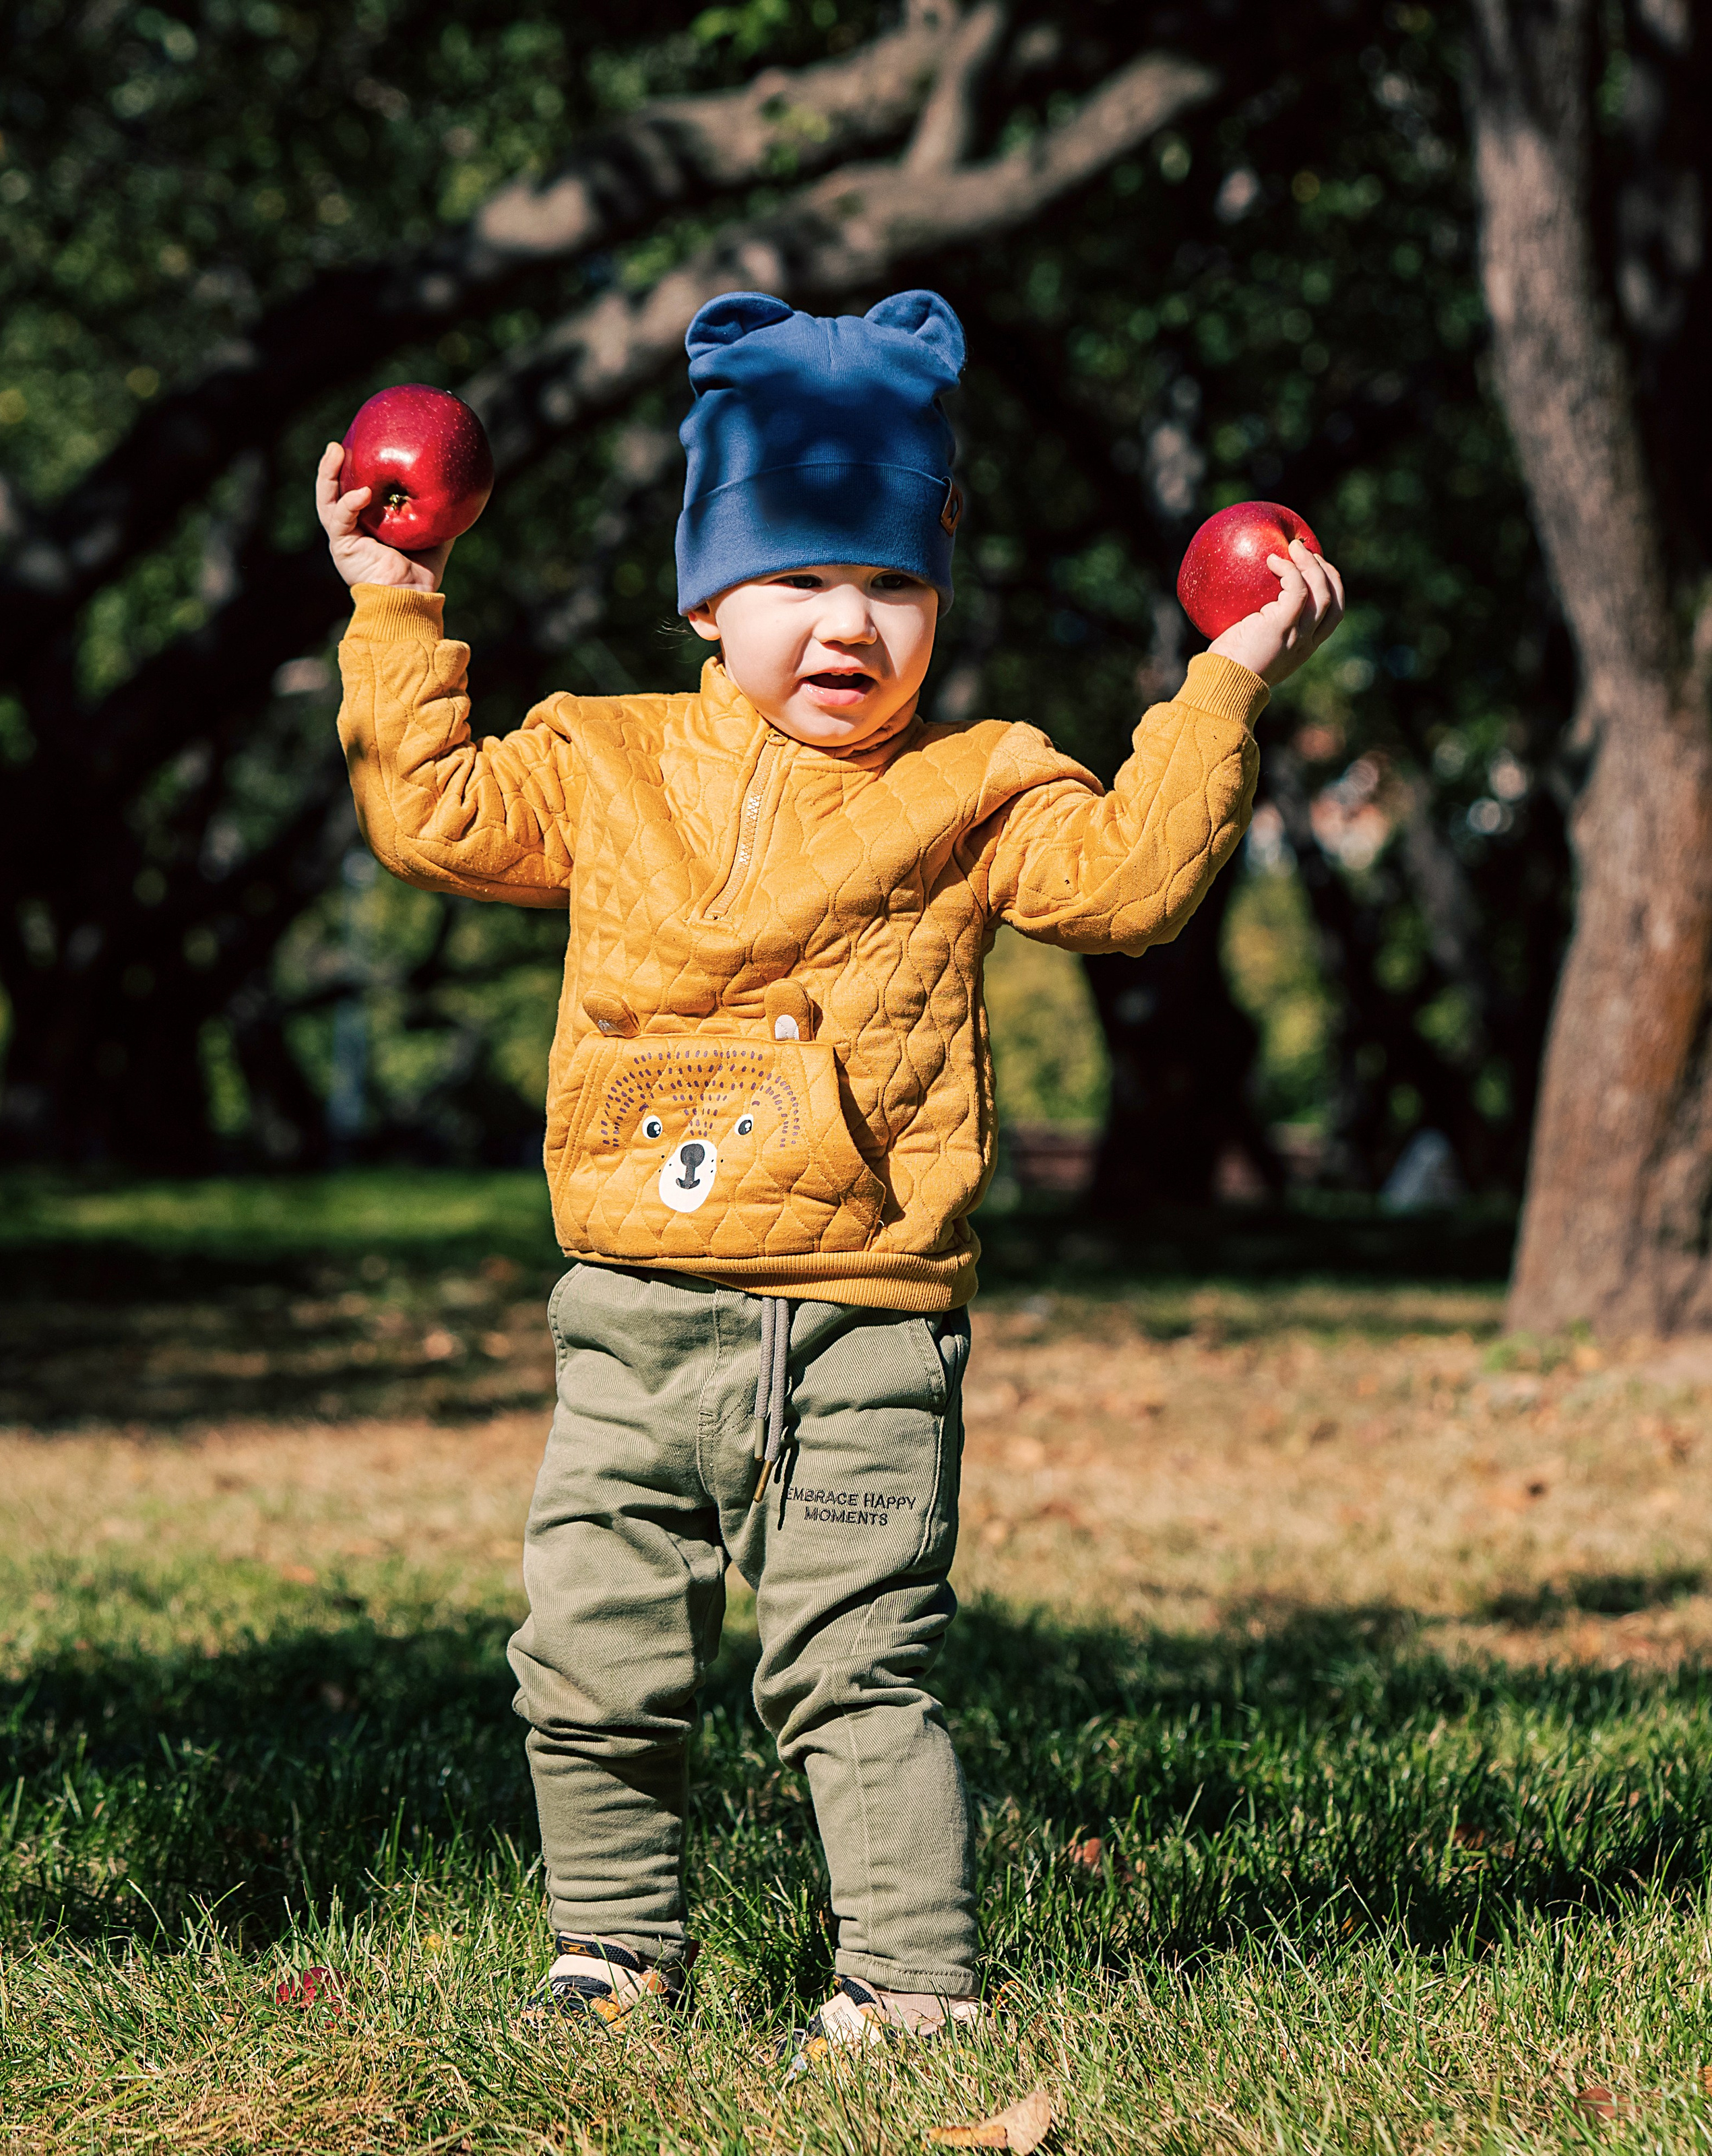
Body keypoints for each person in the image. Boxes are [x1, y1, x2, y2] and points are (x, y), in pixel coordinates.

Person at [317, 288, 1342, 2054]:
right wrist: (397, 605)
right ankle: (614, 1954)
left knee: (854, 1665)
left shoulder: (980, 786)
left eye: (890, 585)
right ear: (710, 597)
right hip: (634, 1308)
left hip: (867, 1321)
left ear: (938, 602)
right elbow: (432, 818)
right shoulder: (600, 758)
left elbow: (1132, 885)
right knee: (588, 1660)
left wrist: (1224, 680)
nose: (846, 623)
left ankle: (911, 1985)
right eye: (797, 580)